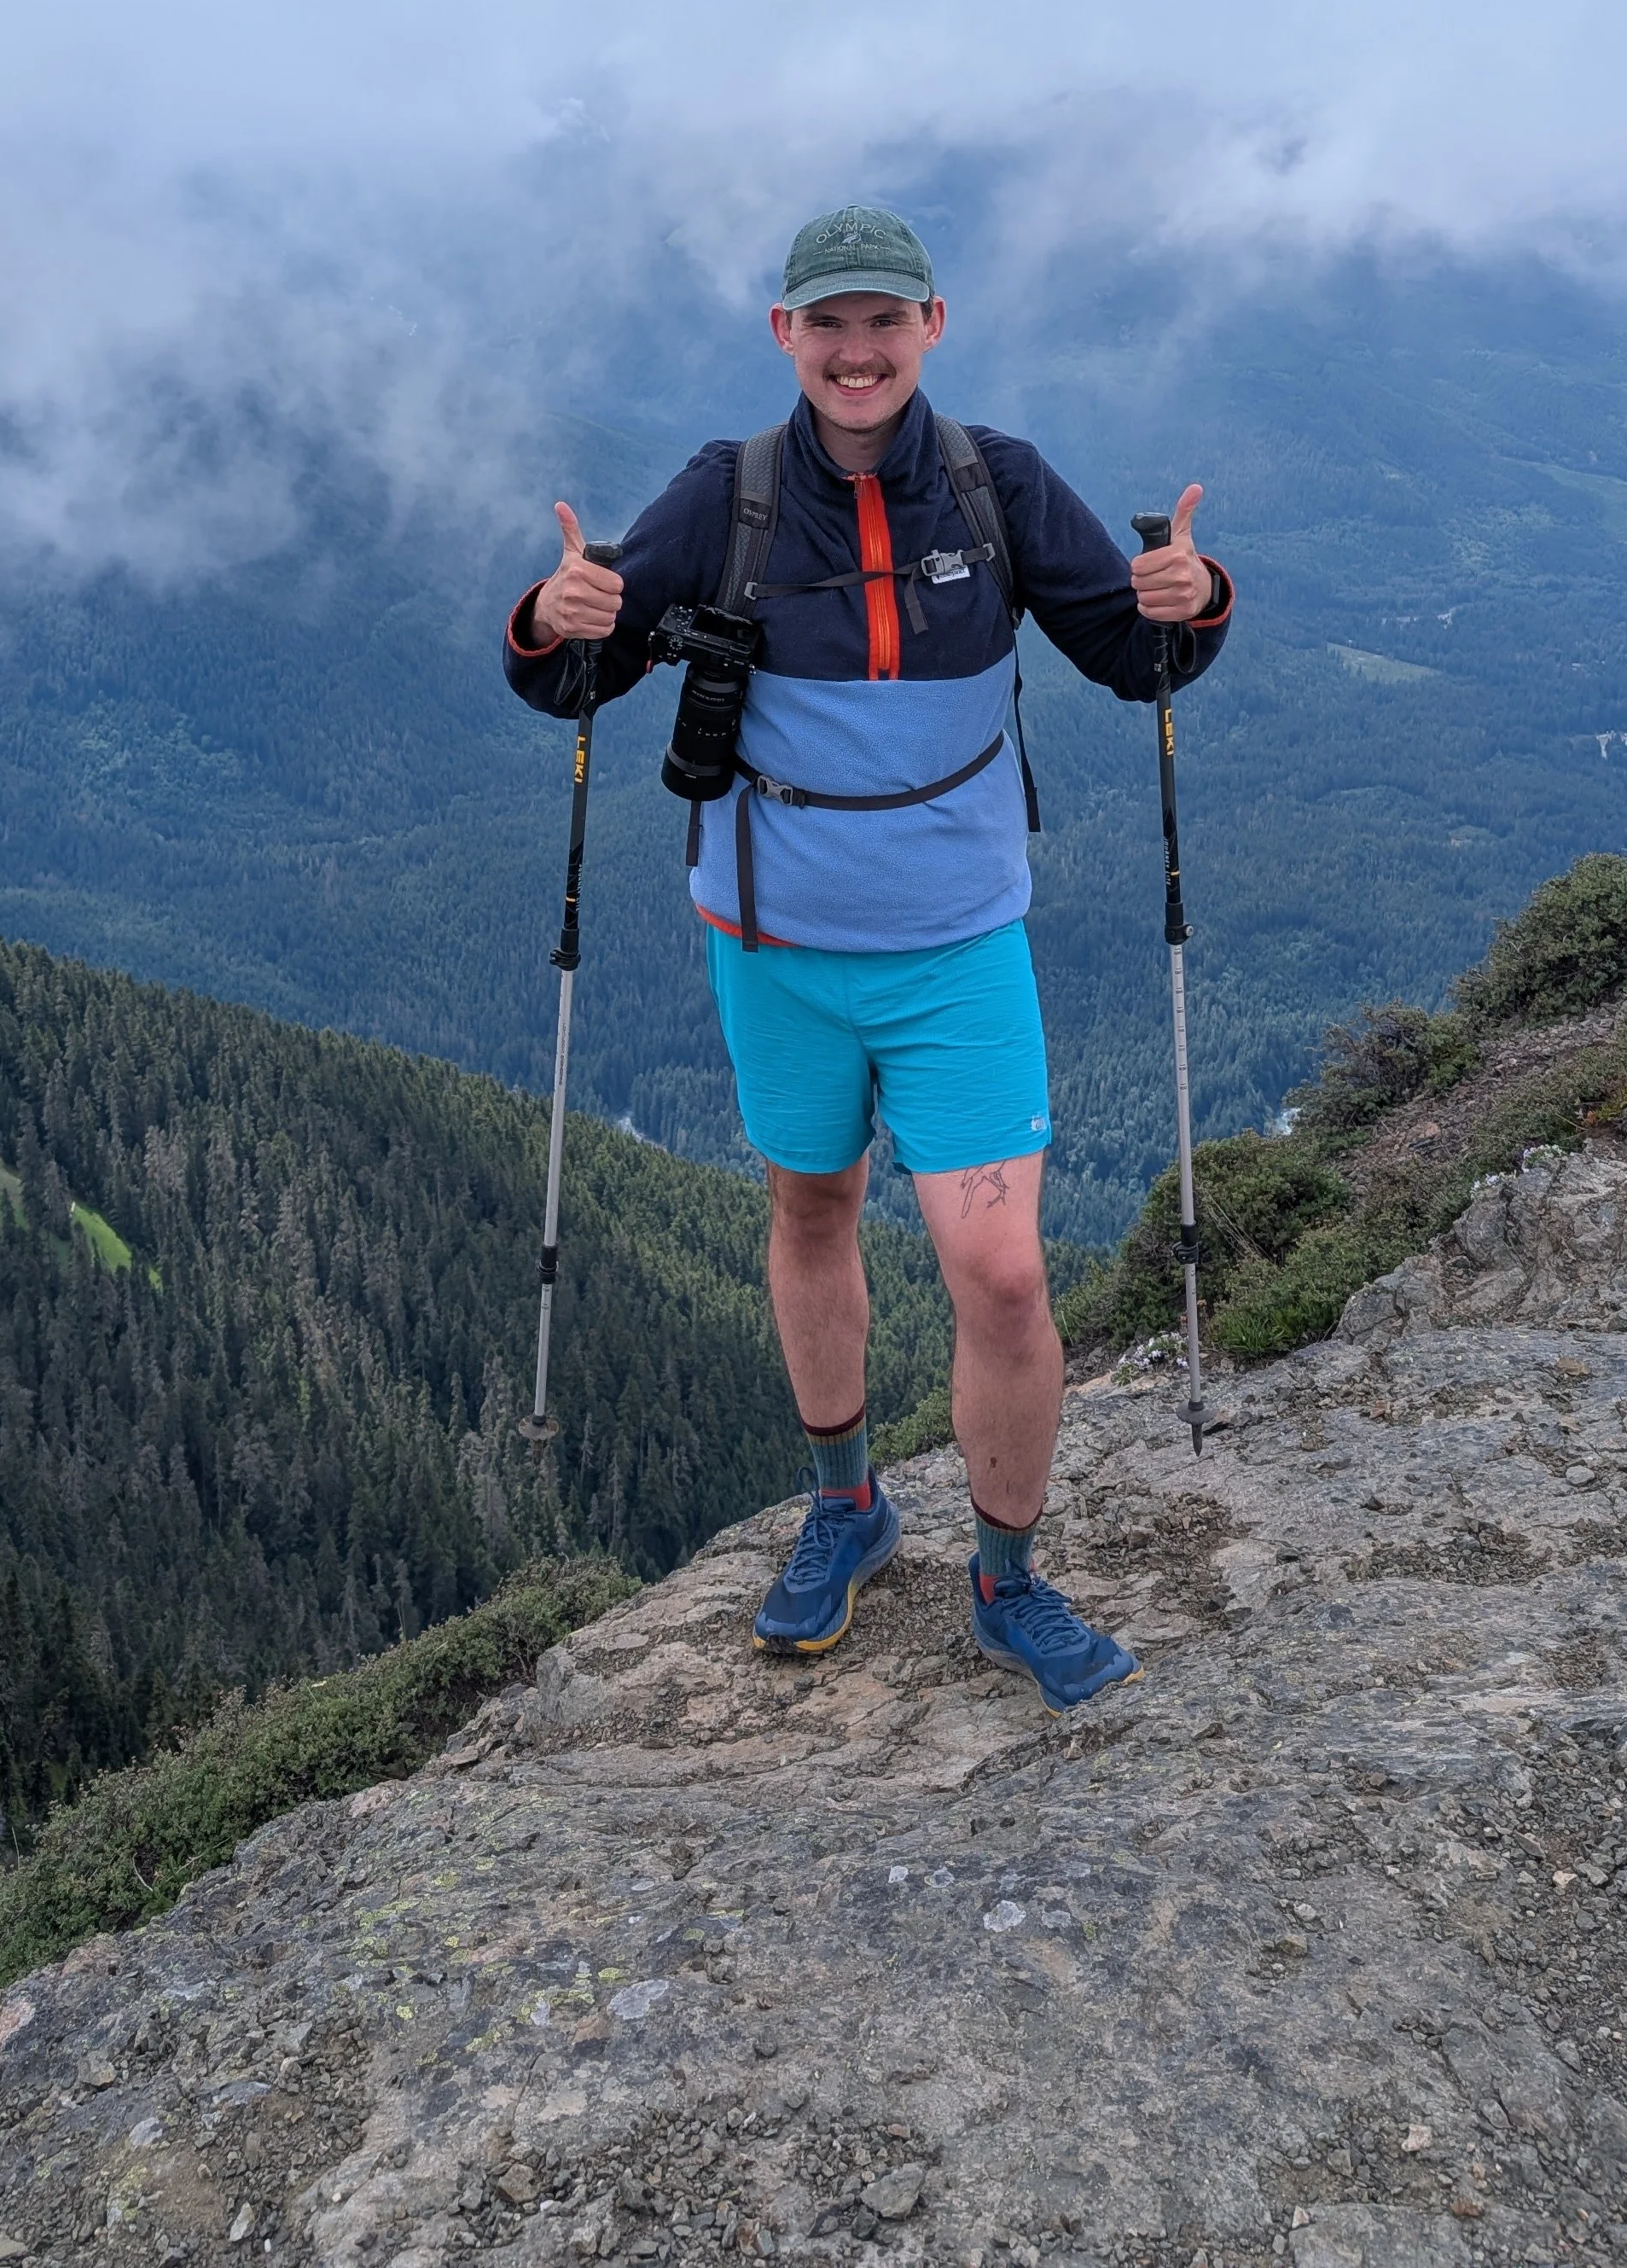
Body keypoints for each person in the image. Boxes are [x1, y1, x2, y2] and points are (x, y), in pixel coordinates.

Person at [503, 205, 1232, 1713]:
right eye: (827, 324)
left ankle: (1009, 1582)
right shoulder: (731, 495)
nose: (855, 351)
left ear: (932, 327)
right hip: (770, 940)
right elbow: (585, 671)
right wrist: (551, 615)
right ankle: (847, 1510)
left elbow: (1130, 656)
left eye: (882, 323)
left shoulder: (1000, 485)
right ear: (786, 334)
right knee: (814, 1210)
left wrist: (1192, 599)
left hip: (957, 948)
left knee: (1004, 1273)